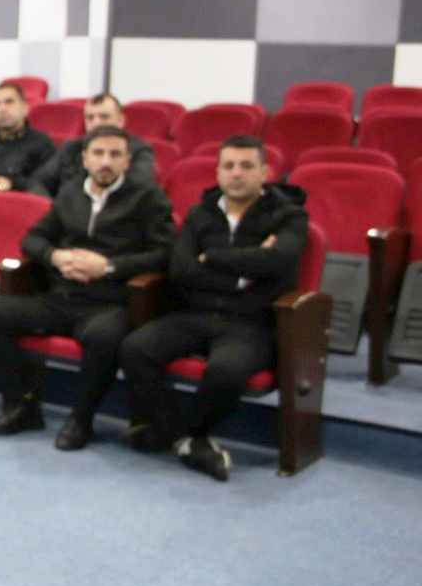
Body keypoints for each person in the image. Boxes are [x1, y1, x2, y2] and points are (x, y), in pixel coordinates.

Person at [0, 126, 175, 450]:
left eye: (114, 154)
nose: (105, 162)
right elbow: (32, 239)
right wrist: (56, 256)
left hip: (111, 302)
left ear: (127, 160)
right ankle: (21, 404)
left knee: (103, 337)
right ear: (85, 158)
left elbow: (165, 254)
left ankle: (81, 418)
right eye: (98, 154)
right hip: (60, 297)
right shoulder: (70, 192)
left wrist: (108, 267)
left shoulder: (149, 197)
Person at [120, 136, 308, 482]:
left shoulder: (289, 215)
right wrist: (243, 274)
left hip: (251, 321)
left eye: (247, 166)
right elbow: (182, 269)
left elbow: (280, 260)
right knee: (135, 348)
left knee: (226, 370)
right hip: (196, 313)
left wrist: (215, 258)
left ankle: (189, 434)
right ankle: (183, 437)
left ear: (265, 172)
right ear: (218, 172)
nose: (237, 174)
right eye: (229, 166)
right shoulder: (200, 212)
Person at [28, 92, 155, 197]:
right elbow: (38, 180)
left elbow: (139, 188)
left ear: (120, 121)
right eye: (90, 118)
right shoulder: (72, 147)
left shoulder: (138, 149)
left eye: (104, 117)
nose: (96, 123)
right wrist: (52, 208)